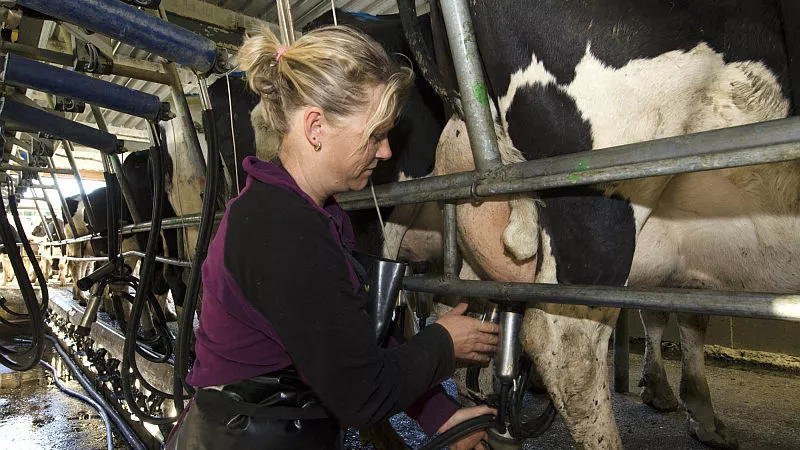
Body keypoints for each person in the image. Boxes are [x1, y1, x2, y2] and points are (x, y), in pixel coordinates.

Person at [165, 25, 500, 450]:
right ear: (316, 127)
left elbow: (357, 332)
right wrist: (443, 343)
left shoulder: (309, 212)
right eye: (376, 135)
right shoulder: (283, 230)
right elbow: (361, 393)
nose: (385, 153)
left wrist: (441, 414)